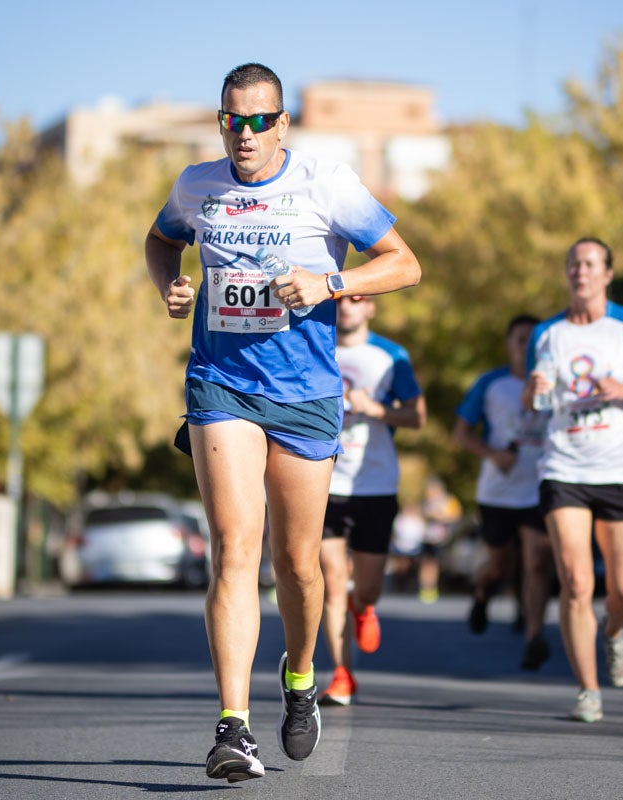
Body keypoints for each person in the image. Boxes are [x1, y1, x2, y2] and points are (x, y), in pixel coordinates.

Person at [144, 62, 420, 782]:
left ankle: (300, 678)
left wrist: (331, 282)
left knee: (297, 565)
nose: (246, 133)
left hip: (304, 394)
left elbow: (404, 264)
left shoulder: (326, 184)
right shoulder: (197, 186)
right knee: (235, 548)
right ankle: (233, 727)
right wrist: (170, 286)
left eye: (260, 120)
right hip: (221, 386)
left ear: (283, 124)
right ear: (221, 122)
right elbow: (160, 240)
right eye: (233, 120)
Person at [523, 237, 623, 723]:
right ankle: (588, 691)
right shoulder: (546, 333)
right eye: (574, 264)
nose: (581, 272)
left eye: (590, 264)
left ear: (608, 274)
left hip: (620, 469)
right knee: (575, 581)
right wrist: (533, 389)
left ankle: (613, 632)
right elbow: (533, 402)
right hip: (564, 468)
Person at [319, 294, 425, 706]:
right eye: (340, 299)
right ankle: (341, 675)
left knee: (367, 588)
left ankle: (363, 606)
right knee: (331, 581)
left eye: (356, 299)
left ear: (370, 308)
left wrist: (376, 409)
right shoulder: (315, 344)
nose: (346, 306)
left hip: (375, 484)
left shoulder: (390, 356)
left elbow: (417, 416)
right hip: (324, 479)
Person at [453, 314, 555, 670]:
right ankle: (483, 592)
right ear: (509, 344)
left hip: (541, 487)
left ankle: (534, 637)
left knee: (537, 561)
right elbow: (461, 434)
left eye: (533, 340)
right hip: (498, 492)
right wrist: (494, 454)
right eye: (520, 339)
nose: (526, 346)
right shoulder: (491, 383)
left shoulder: (553, 383)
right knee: (500, 565)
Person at [418, 477, 461, 603]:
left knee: (442, 564)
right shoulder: (427, 501)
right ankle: (427, 588)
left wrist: (440, 517)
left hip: (443, 539)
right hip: (428, 538)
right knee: (428, 563)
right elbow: (422, 516)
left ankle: (443, 587)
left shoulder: (449, 500)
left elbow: (456, 516)